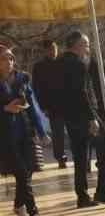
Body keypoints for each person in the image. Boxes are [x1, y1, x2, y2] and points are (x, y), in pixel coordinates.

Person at [60, 30, 105, 207]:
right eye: (86, 44)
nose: (88, 48)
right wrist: (92, 118)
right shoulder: (77, 64)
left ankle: (82, 196)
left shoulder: (58, 63)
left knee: (81, 158)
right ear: (76, 45)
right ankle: (101, 192)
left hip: (70, 117)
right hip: (85, 117)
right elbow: (81, 92)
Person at [0, 45, 47, 216]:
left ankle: (19, 205)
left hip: (26, 132)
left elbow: (33, 106)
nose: (9, 62)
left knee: (27, 172)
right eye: (4, 59)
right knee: (21, 172)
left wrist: (42, 132)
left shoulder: (23, 78)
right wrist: (4, 109)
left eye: (11, 58)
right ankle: (34, 213)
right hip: (5, 135)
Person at [31, 39, 67, 167]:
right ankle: (60, 157)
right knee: (58, 133)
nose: (53, 51)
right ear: (45, 51)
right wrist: (43, 107)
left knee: (74, 130)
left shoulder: (63, 63)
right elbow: (36, 89)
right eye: (50, 49)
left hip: (67, 103)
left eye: (54, 48)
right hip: (52, 105)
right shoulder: (39, 67)